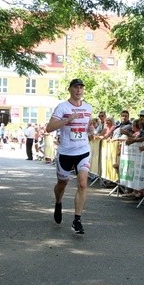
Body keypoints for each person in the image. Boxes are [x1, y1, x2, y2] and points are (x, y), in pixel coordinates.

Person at [45, 78, 93, 234]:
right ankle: (58, 202)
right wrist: (68, 119)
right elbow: (49, 128)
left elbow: (88, 127)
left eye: (81, 87)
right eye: (76, 87)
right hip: (66, 152)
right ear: (70, 89)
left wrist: (91, 129)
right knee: (62, 184)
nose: (79, 90)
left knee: (83, 184)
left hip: (83, 151)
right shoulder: (62, 107)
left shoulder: (88, 107)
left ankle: (77, 220)